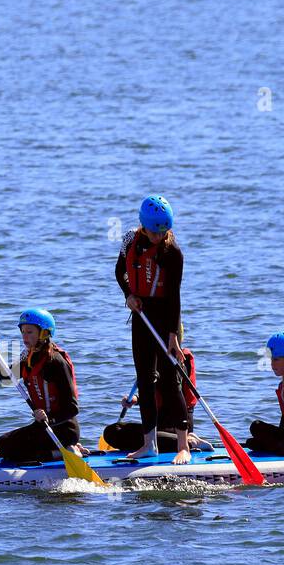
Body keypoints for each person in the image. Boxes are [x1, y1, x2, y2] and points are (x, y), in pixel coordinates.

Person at [115, 194, 189, 462]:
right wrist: (128, 295)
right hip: (141, 315)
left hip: (166, 318)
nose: (159, 237)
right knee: (145, 380)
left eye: (164, 231)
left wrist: (173, 337)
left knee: (170, 381)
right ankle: (149, 444)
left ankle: (183, 446)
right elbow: (119, 271)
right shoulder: (128, 240)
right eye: (155, 232)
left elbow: (174, 297)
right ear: (143, 226)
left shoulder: (173, 253)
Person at [0, 309, 81, 463]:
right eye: (23, 332)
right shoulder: (28, 357)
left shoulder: (56, 362)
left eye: (30, 332)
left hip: (64, 429)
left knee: (11, 451)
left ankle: (64, 452)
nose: (25, 336)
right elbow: (6, 378)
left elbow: (73, 408)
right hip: (43, 426)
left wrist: (49, 419)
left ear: (44, 333)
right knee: (2, 444)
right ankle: (63, 449)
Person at [101, 328, 207, 455]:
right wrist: (137, 399)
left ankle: (188, 442)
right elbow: (157, 393)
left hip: (178, 425)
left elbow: (176, 395)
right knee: (113, 431)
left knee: (115, 432)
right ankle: (170, 441)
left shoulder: (178, 360)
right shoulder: (155, 360)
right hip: (160, 426)